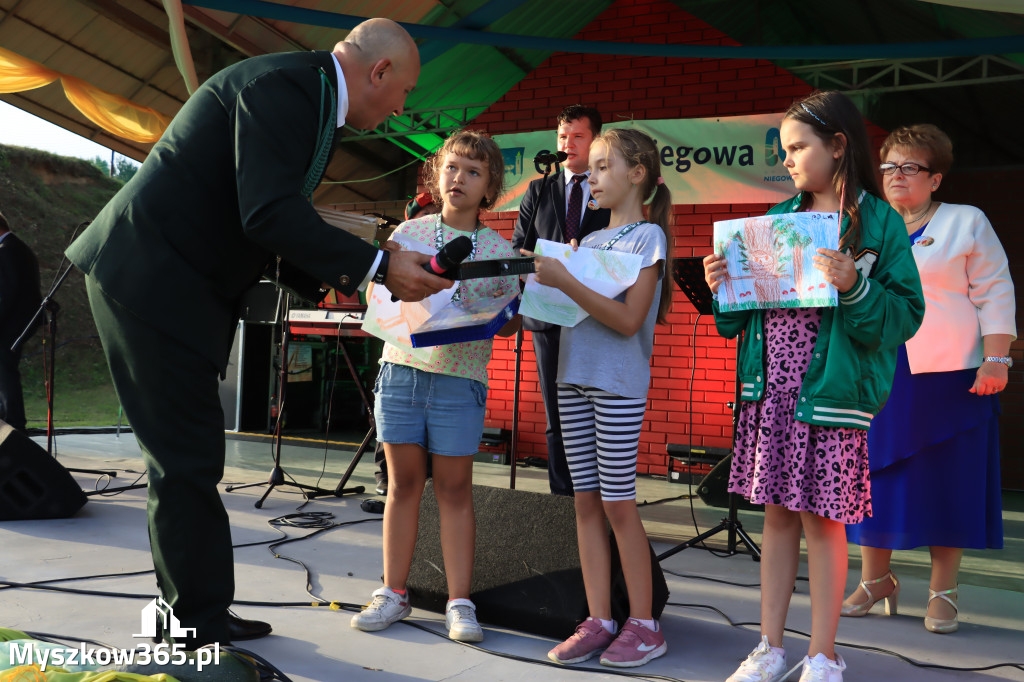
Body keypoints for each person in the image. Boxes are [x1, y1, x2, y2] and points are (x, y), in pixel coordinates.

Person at [65, 18, 453, 649]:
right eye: (403, 91)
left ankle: (199, 610)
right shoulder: (287, 88)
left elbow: (267, 216)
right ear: (378, 71)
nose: (401, 108)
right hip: (147, 282)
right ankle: (192, 623)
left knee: (192, 459)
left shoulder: (304, 93)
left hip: (171, 287)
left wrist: (367, 268)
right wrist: (377, 266)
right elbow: (267, 211)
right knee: (185, 461)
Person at [704, 91, 925, 682]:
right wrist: (722, 285)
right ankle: (770, 647)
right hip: (771, 390)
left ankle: (824, 654)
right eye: (785, 150)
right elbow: (736, 321)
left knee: (823, 521)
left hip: (833, 395)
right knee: (777, 515)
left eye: (799, 147)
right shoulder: (776, 220)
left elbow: (904, 318)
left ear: (838, 145)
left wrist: (855, 285)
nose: (790, 160)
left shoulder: (881, 224)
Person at [843, 124, 1015, 634]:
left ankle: (945, 591)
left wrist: (997, 359)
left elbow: (995, 290)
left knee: (950, 483)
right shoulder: (862, 225)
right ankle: (876, 581)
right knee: (872, 478)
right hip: (875, 371)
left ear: (935, 178)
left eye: (910, 167)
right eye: (889, 166)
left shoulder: (968, 222)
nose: (897, 175)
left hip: (952, 376)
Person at [350, 130, 519, 642]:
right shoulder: (409, 235)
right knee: (402, 485)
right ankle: (393, 593)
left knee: (453, 489)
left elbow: (510, 324)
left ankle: (459, 602)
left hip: (459, 377)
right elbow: (380, 296)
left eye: (473, 171)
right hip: (400, 369)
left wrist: (501, 306)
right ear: (436, 174)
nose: (459, 179)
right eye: (452, 168)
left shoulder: (498, 248)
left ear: (489, 187)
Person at [522, 128, 671, 668]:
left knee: (616, 502)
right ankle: (599, 618)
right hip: (571, 377)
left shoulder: (647, 238)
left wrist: (564, 279)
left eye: (604, 166)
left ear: (637, 174)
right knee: (584, 500)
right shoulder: (586, 242)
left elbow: (629, 321)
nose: (590, 175)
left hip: (616, 384)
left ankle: (645, 624)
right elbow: (564, 313)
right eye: (591, 168)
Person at [511, 105, 611, 496]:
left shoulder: (608, 186)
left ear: (596, 140)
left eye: (577, 137)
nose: (567, 144)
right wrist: (535, 261)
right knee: (557, 415)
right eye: (562, 138)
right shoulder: (540, 189)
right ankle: (562, 502)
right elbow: (519, 247)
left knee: (595, 414)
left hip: (594, 314)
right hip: (547, 314)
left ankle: (599, 500)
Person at [374, 192, 441, 496]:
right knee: (392, 435)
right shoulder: (401, 243)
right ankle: (384, 481)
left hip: (442, 361)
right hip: (402, 356)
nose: (431, 215)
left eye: (434, 210)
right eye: (424, 211)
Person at [0, 210, 42, 432]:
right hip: (20, 319)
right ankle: (7, 420)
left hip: (14, 321)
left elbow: (6, 294)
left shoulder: (7, 251)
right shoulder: (16, 247)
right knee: (4, 370)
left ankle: (13, 424)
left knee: (5, 370)